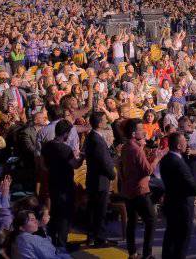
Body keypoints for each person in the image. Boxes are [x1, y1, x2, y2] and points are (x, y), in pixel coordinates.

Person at [120, 117, 167, 259]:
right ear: (134, 133)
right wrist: (157, 158)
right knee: (151, 220)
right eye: (141, 130)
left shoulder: (126, 146)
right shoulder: (136, 149)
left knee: (132, 222)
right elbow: (147, 171)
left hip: (128, 189)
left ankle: (132, 252)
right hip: (140, 189)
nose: (144, 132)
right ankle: (147, 254)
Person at [41, 118, 84, 250]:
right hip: (65, 185)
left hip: (52, 182)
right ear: (65, 133)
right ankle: (62, 243)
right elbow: (75, 165)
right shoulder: (65, 149)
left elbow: (43, 165)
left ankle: (53, 240)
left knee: (55, 212)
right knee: (65, 214)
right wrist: (82, 157)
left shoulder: (47, 146)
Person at [160, 131, 196, 259]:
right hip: (182, 205)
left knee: (171, 234)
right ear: (179, 146)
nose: (187, 143)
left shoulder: (165, 159)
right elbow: (191, 184)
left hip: (171, 201)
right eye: (184, 142)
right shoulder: (178, 163)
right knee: (182, 238)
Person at [84, 111, 116, 247]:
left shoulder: (92, 137)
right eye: (104, 120)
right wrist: (112, 174)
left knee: (93, 210)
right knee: (100, 210)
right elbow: (104, 161)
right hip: (100, 180)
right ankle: (100, 238)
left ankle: (92, 236)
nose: (106, 122)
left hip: (93, 178)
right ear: (99, 122)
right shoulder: (97, 139)